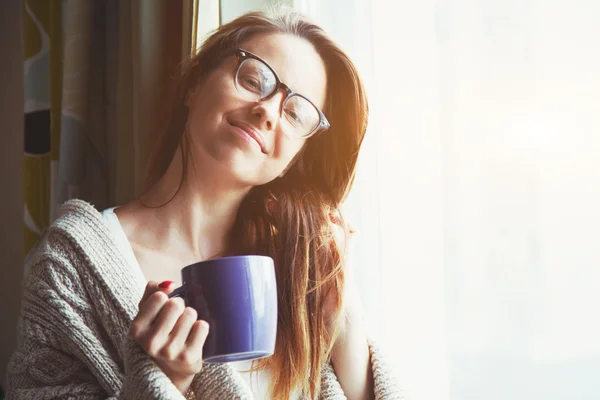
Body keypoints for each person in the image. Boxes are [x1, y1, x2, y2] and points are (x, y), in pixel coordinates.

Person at [6, 8, 400, 400]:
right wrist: (160, 383)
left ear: (293, 161)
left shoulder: (298, 271)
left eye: (295, 112)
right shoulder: (65, 268)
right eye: (254, 79)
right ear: (194, 84)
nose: (267, 111)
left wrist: (342, 315)